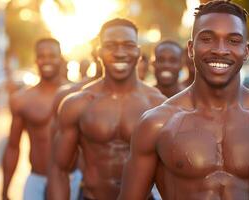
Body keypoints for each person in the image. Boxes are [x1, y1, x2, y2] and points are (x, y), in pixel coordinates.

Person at [119, 1, 249, 199]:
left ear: (246, 51)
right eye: (207, 39)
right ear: (190, 49)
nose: (220, 50)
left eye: (233, 40)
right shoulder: (157, 123)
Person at [47, 18, 166, 200]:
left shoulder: (158, 105)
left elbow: (172, 175)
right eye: (111, 45)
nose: (119, 53)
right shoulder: (78, 104)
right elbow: (59, 169)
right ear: (99, 52)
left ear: (138, 52)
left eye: (128, 45)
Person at [2, 38, 68, 200]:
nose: (46, 60)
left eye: (52, 56)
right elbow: (12, 147)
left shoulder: (76, 95)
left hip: (71, 179)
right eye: (41, 56)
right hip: (37, 179)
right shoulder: (22, 99)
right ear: (35, 60)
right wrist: (4, 190)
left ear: (60, 58)